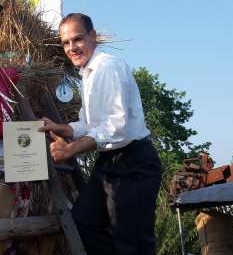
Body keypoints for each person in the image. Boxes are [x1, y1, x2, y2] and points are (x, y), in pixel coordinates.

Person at [39, 13, 161, 255]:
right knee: (83, 221)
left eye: (77, 39)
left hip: (133, 162)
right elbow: (89, 123)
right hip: (109, 162)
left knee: (132, 243)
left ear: (93, 36)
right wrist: (60, 128)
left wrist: (70, 149)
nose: (72, 47)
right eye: (66, 43)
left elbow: (116, 126)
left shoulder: (108, 67)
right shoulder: (88, 74)